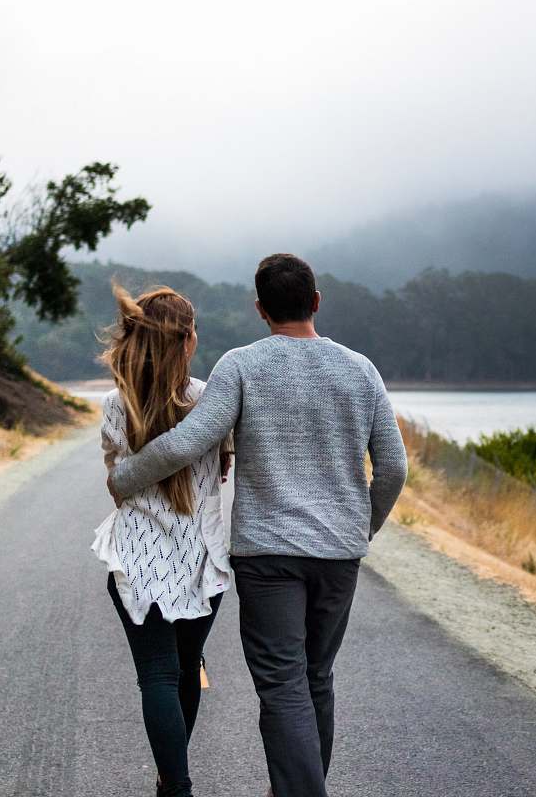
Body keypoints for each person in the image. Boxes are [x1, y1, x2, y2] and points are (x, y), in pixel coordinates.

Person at [107, 253, 408, 797]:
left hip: (269, 557)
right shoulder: (361, 369)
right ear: (315, 302)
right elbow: (394, 468)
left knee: (283, 684)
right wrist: (361, 529)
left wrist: (125, 478)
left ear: (260, 310)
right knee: (317, 677)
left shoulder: (243, 365)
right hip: (339, 556)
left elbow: (187, 442)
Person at [91, 283, 233, 797]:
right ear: (188, 340)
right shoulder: (209, 402)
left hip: (136, 559)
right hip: (201, 562)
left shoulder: (114, 402)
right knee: (185, 671)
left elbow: (116, 476)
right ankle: (172, 779)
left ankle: (176, 783)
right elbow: (222, 468)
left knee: (156, 674)